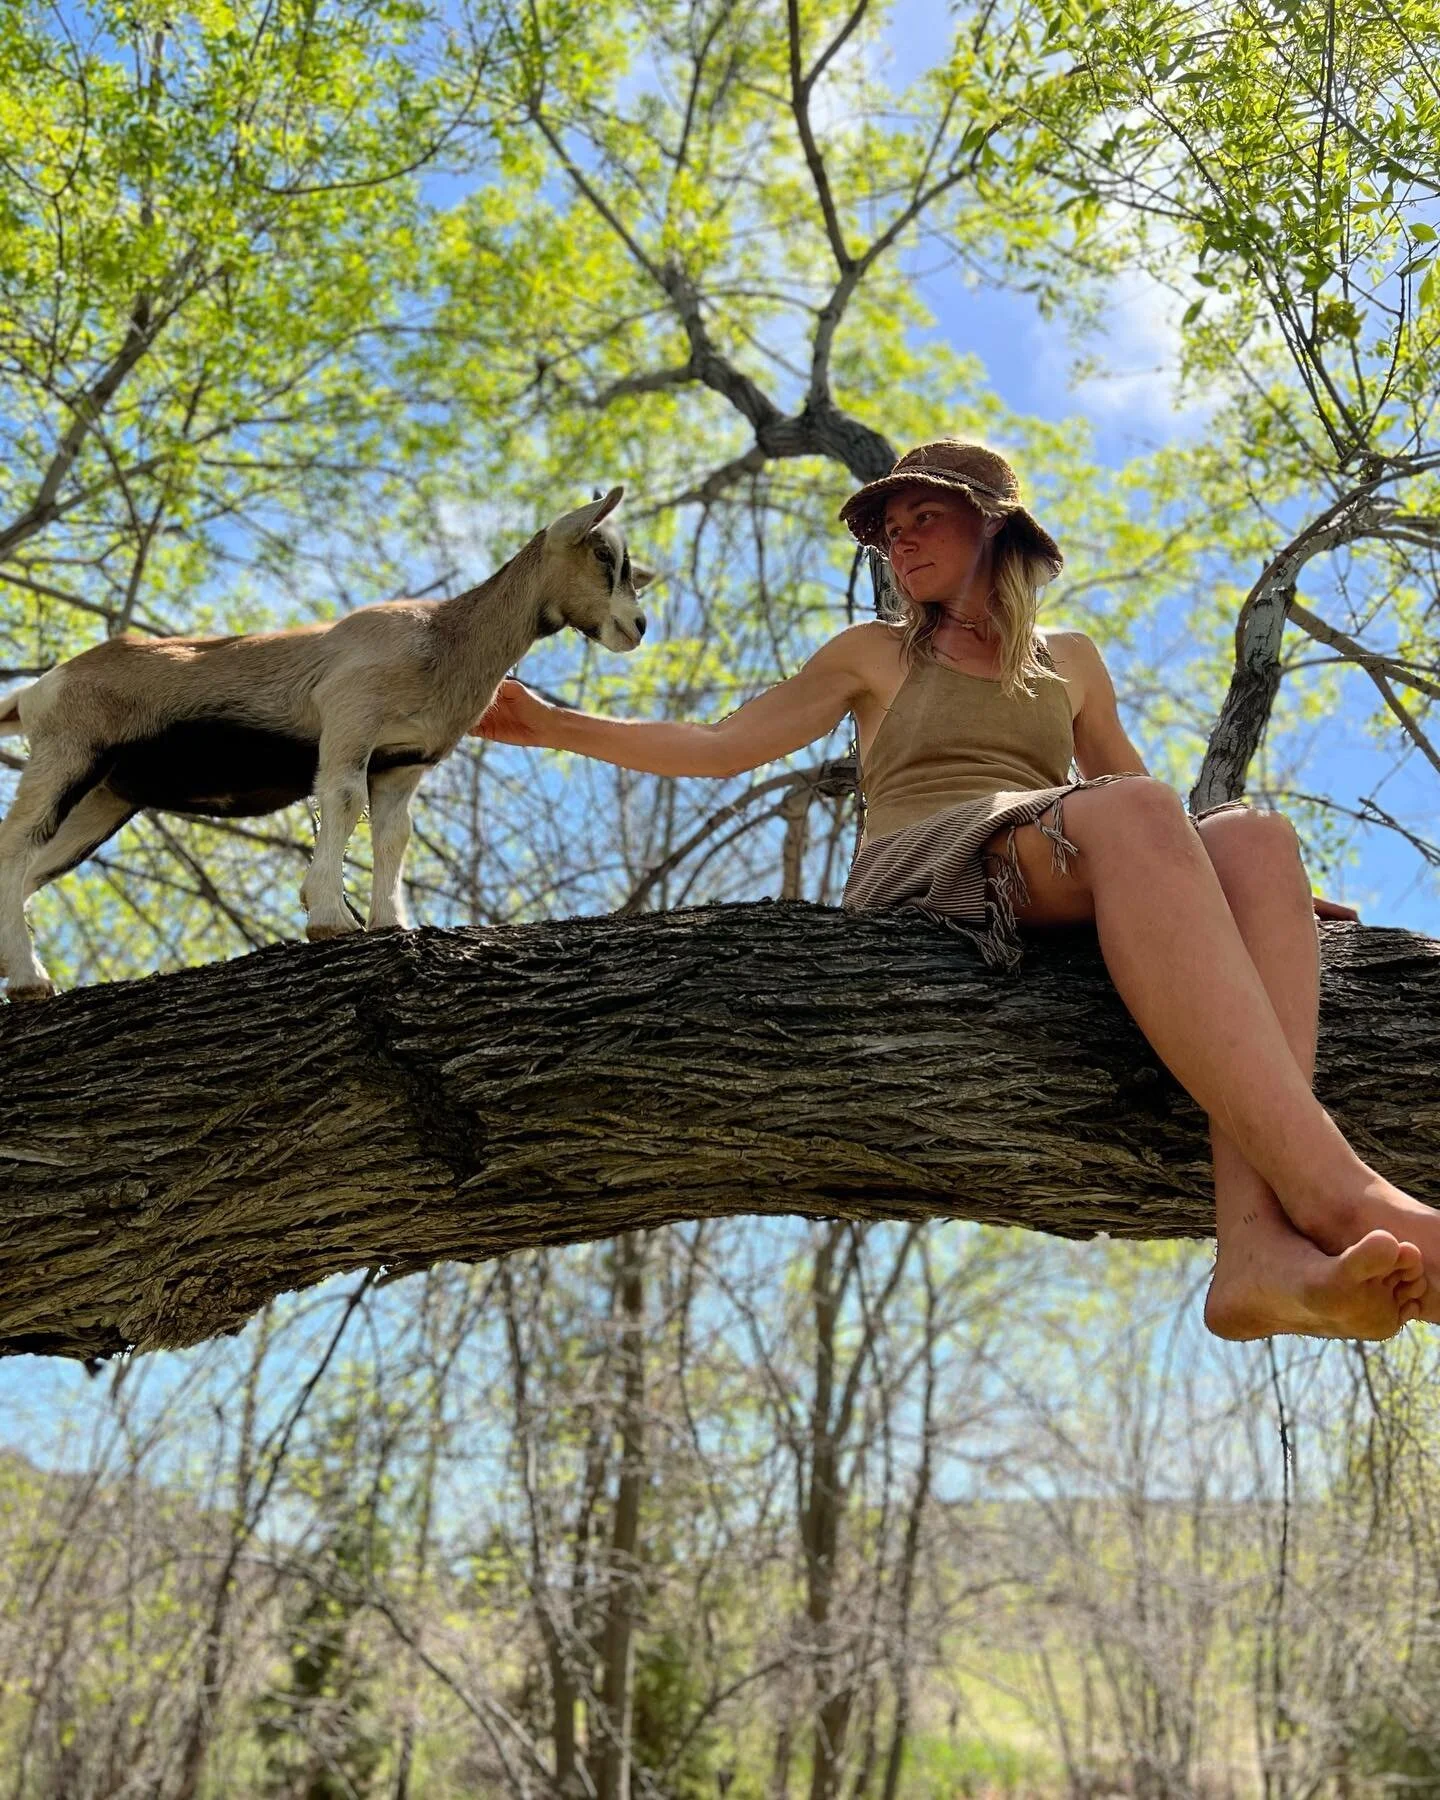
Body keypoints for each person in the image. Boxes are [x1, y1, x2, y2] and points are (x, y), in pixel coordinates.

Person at [476, 439, 1435, 1341]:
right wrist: (559, 725)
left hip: (1053, 853)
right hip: (925, 866)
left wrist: (1250, 902)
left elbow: (1157, 824)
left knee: (1259, 839)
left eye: (923, 517)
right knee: (1145, 812)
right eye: (888, 531)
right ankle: (1338, 1193)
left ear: (994, 529)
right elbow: (725, 746)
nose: (899, 542)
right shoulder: (874, 653)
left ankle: (1256, 1253)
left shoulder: (1074, 662)